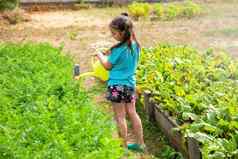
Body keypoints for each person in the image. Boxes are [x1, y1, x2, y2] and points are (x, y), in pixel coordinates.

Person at [96, 13, 145, 152]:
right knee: (132, 113)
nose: (112, 36)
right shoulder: (136, 46)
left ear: (123, 32)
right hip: (130, 85)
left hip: (116, 86)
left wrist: (100, 55)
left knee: (120, 116)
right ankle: (141, 144)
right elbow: (123, 61)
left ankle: (124, 147)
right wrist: (111, 52)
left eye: (114, 33)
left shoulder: (118, 49)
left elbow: (107, 66)